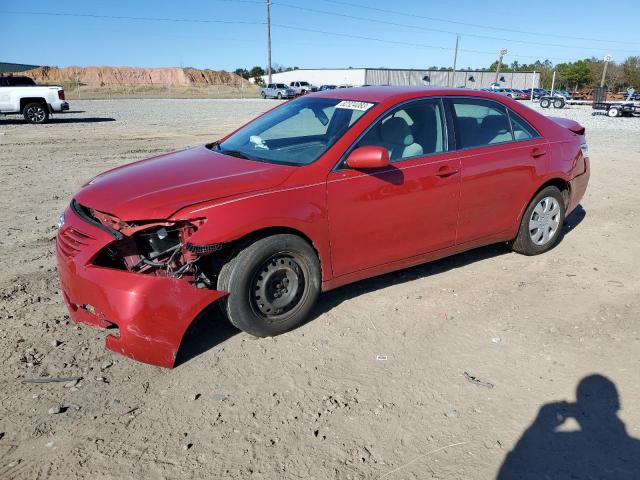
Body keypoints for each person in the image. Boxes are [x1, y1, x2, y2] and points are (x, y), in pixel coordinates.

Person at [497, 374, 640, 479]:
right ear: (616, 405)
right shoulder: (634, 449)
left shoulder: (563, 440)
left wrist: (539, 424)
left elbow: (511, 466)